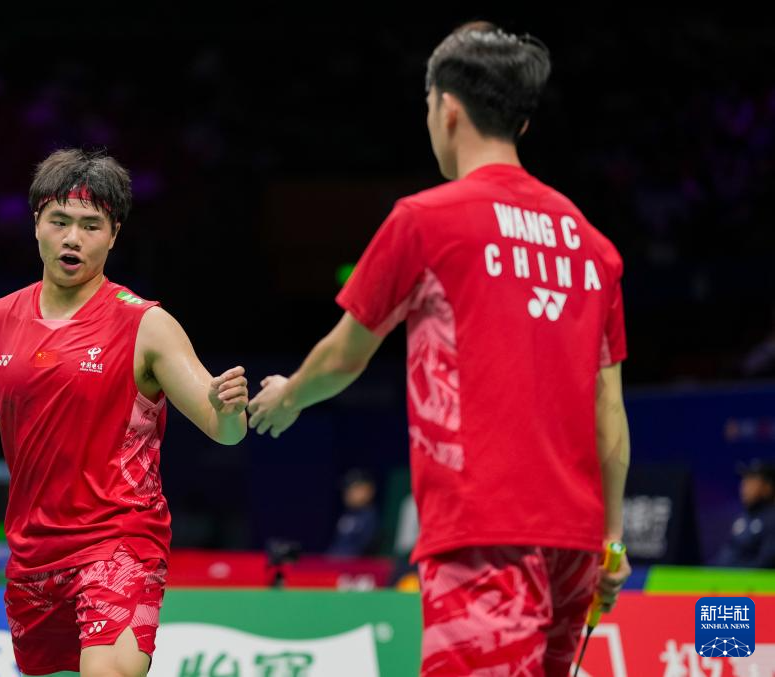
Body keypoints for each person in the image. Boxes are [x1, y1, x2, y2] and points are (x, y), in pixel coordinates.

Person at [248, 21, 631, 676]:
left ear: (447, 108)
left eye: (427, 105)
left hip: (482, 536)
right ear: (521, 122)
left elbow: (343, 356)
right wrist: (612, 544)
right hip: (575, 545)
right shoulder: (593, 247)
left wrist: (288, 396)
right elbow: (609, 412)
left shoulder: (425, 221)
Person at [0, 148, 249, 677]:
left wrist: (227, 410)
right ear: (37, 224)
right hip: (33, 556)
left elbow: (223, 430)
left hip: (120, 541)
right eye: (60, 221)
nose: (72, 238)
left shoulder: (146, 326)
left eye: (91, 225)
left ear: (114, 234)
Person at [713, 459, 775, 568]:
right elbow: (727, 555)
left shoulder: (772, 520)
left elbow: (765, 564)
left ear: (768, 487)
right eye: (744, 481)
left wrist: (730, 574)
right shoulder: (743, 517)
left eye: (752, 481)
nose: (744, 487)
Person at [327, 468, 380, 557]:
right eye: (347, 488)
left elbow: (363, 548)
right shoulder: (347, 514)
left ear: (370, 490)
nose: (349, 493)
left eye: (355, 488)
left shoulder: (370, 516)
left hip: (355, 564)